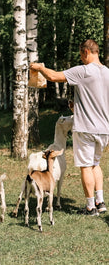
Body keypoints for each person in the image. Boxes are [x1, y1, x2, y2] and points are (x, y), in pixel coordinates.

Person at [30, 39, 109, 216]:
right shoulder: (107, 73)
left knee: (86, 166)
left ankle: (90, 207)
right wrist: (79, 107)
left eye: (81, 55)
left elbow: (53, 76)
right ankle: (100, 202)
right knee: (96, 164)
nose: (81, 59)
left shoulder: (83, 71)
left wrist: (39, 68)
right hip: (104, 128)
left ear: (86, 52)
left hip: (86, 128)